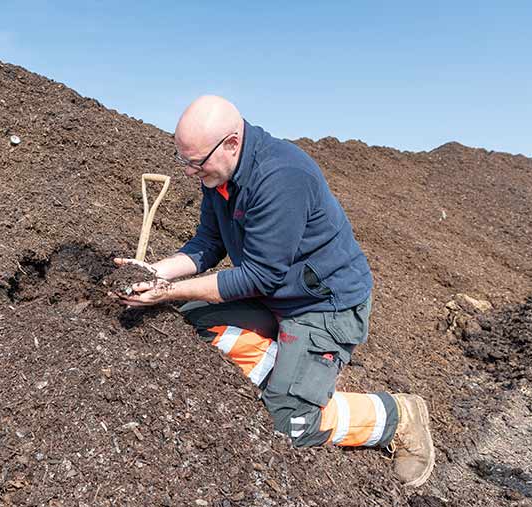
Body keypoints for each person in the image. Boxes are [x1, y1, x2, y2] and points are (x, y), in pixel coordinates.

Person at [112, 95, 435, 487]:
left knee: (292, 424)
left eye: (196, 163)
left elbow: (258, 276)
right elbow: (208, 244)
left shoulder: (282, 176)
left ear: (232, 143)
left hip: (324, 305)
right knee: (189, 318)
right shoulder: (218, 176)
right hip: (278, 294)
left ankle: (396, 416)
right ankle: (291, 369)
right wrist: (157, 273)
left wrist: (169, 291)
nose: (188, 172)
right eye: (184, 161)